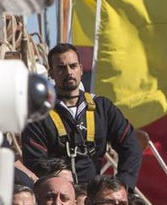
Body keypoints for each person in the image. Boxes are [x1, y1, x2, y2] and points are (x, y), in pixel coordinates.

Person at [22, 42, 142, 189]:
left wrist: (123, 185)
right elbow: (34, 161)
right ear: (51, 73)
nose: (68, 72)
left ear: (81, 69)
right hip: (59, 194)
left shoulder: (102, 108)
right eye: (61, 68)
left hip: (92, 193)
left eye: (73, 66)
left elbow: (131, 146)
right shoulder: (40, 113)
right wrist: (58, 175)